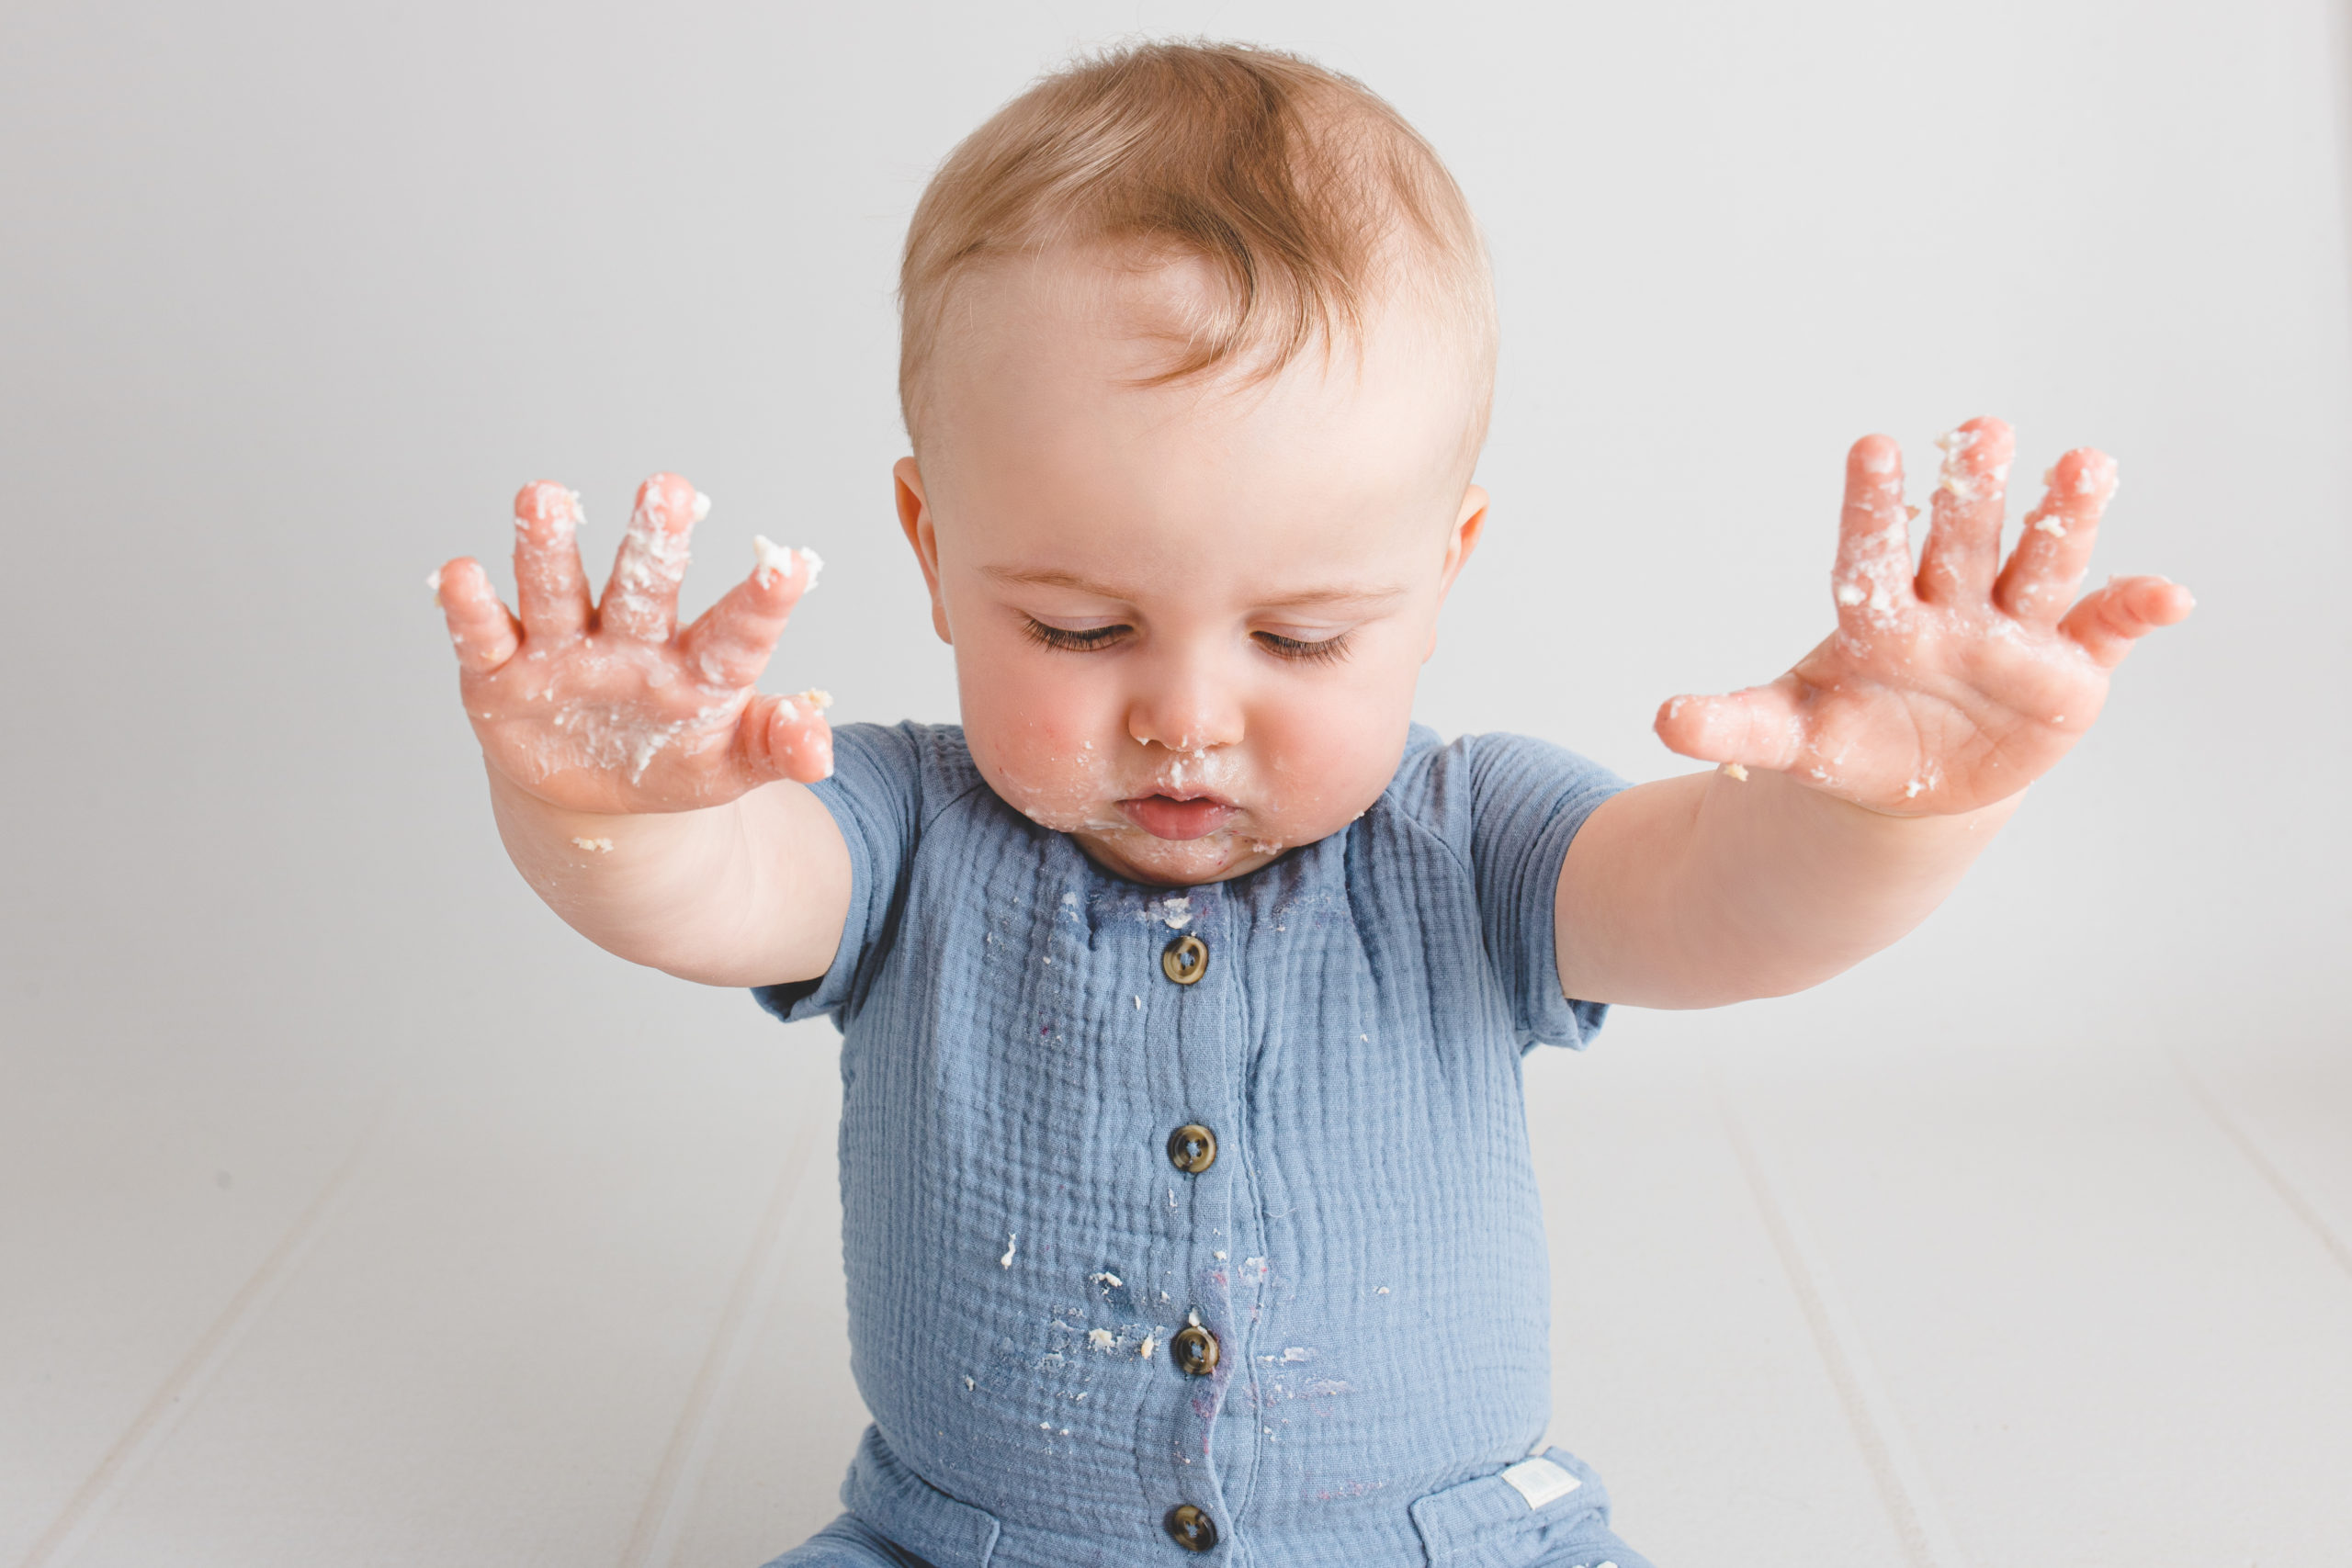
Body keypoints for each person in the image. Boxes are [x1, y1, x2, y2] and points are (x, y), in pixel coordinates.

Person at [428, 40, 2190, 1568]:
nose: (1187, 717)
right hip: (957, 1541)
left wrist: (1894, 817)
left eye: (1302, 635)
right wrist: (615, 807)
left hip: (1453, 1537)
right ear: (932, 552)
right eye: (1079, 625)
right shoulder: (898, 828)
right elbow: (709, 890)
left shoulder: (1471, 842)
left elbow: (1726, 898)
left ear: (1441, 574)